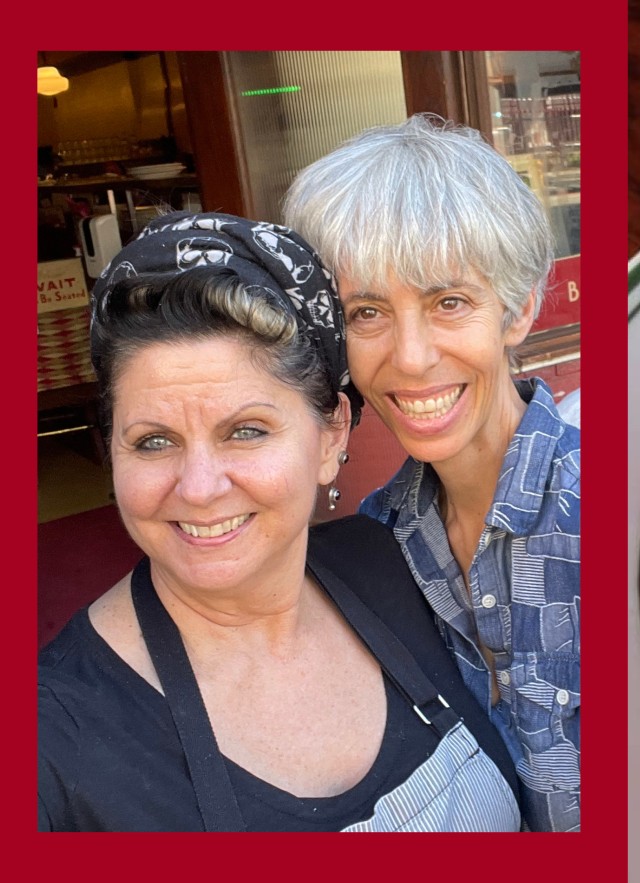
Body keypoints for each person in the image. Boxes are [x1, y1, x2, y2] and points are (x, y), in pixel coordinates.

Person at [38, 210, 522, 833]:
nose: (200, 487)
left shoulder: (400, 566)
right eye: (154, 442)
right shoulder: (51, 739)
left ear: (330, 438)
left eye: (246, 431)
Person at [283, 114, 580, 833]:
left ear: (517, 311)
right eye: (368, 311)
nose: (410, 357)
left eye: (449, 302)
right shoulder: (379, 541)